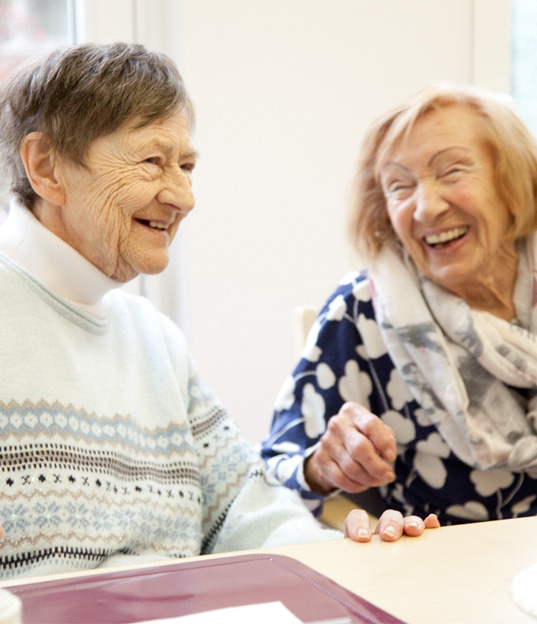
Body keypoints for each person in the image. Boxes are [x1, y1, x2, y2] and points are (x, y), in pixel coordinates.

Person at [0, 43, 438, 579]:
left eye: (186, 165)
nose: (183, 197)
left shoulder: (153, 339)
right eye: (152, 162)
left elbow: (242, 509)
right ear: (46, 167)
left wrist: (345, 558)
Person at [261, 83, 537, 527]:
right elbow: (275, 475)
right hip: (456, 568)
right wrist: (325, 465)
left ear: (511, 180)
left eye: (452, 172)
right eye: (399, 186)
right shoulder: (361, 312)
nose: (426, 207)